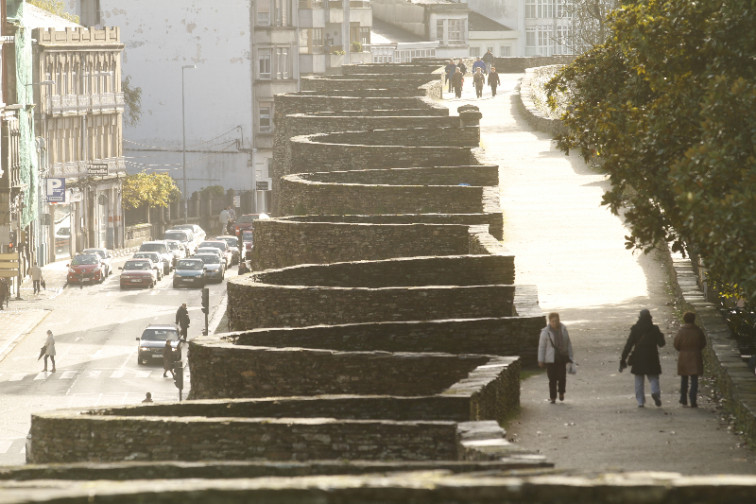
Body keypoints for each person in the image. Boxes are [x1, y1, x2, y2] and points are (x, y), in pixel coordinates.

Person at [620, 309, 666, 407]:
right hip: (652, 356)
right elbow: (661, 344)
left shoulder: (636, 329)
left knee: (639, 380)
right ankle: (655, 393)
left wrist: (623, 358)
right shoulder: (654, 329)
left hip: (639, 356)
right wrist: (661, 335)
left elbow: (629, 345)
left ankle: (640, 401)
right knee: (653, 377)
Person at [537, 312, 574, 404]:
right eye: (553, 321)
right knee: (552, 379)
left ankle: (561, 392)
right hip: (550, 359)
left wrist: (570, 356)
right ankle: (553, 397)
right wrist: (541, 359)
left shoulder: (563, 329)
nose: (555, 323)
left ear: (559, 320)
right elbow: (542, 347)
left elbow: (568, 343)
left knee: (562, 377)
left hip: (561, 357)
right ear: (549, 321)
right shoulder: (545, 332)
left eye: (556, 321)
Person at [674, 312, 706, 407]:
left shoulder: (681, 331)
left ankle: (683, 398)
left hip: (683, 356)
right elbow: (703, 343)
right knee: (694, 379)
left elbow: (676, 344)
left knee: (684, 379)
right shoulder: (698, 331)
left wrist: (682, 349)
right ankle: (693, 399)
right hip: (695, 355)